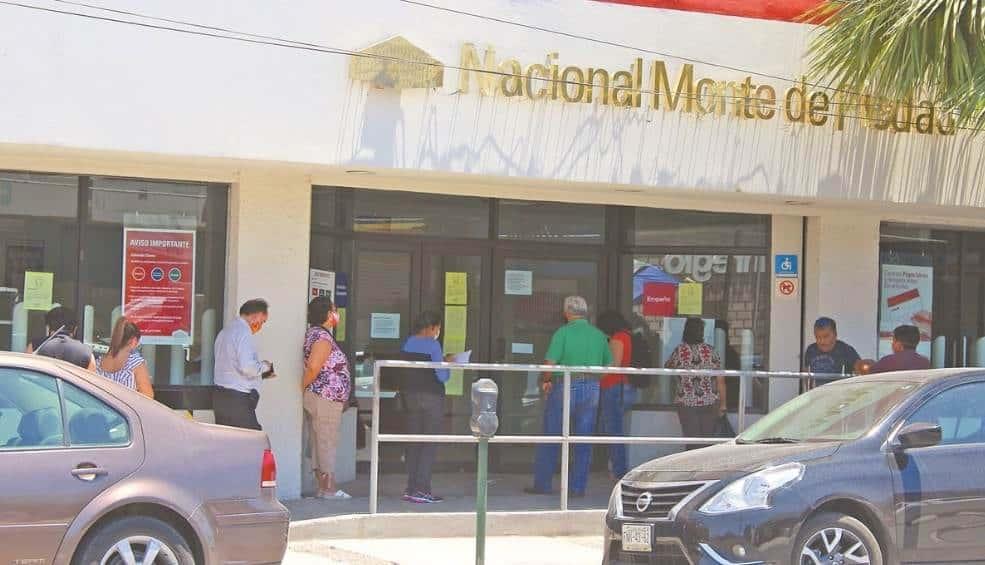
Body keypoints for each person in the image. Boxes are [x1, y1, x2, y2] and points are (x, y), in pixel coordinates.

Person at [526, 296, 612, 497]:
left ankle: (543, 485)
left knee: (553, 435)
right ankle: (577, 488)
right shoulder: (598, 335)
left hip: (565, 384)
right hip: (592, 387)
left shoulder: (562, 333)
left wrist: (545, 380)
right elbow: (609, 365)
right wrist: (594, 378)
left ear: (566, 313)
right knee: (583, 439)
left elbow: (549, 364)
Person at [301, 296, 352, 500]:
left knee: (319, 439)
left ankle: (323, 487)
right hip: (325, 397)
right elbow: (314, 366)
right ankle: (329, 488)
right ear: (327, 314)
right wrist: (302, 386)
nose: (336, 314)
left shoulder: (316, 334)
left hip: (322, 396)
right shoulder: (321, 337)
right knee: (327, 440)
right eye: (334, 310)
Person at [400, 311, 453, 504]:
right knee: (429, 444)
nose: (438, 331)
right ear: (431, 327)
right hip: (431, 398)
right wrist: (447, 365)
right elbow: (442, 376)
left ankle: (411, 488)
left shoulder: (408, 342)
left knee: (414, 444)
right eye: (437, 328)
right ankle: (422, 490)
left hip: (411, 397)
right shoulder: (433, 344)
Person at [665, 317, 726, 451]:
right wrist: (723, 404)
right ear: (701, 332)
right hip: (710, 401)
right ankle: (706, 469)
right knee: (707, 443)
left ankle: (692, 469)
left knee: (692, 441)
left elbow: (667, 369)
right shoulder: (711, 351)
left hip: (686, 402)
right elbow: (720, 379)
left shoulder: (680, 351)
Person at [213, 299, 273, 430]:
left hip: (220, 396)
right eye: (262, 321)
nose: (261, 325)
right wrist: (265, 366)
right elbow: (248, 368)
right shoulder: (243, 333)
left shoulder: (225, 331)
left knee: (227, 443)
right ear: (254, 316)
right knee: (252, 442)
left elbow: (229, 366)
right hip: (237, 399)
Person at [596, 310, 635, 480]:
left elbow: (614, 365)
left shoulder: (619, 338)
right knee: (615, 429)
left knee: (614, 431)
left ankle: (619, 470)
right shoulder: (629, 335)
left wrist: (594, 377)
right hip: (625, 386)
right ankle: (614, 466)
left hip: (614, 387)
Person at [95, 317, 154, 398]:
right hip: (125, 410)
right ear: (134, 341)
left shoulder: (97, 363)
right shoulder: (136, 363)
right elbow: (148, 397)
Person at [29, 306, 96, 371]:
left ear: (48, 327)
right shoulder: (87, 353)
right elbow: (91, 380)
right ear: (75, 329)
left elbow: (26, 375)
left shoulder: (35, 347)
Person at [865, 325, 931, 374]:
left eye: (893, 341)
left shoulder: (887, 361)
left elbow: (869, 376)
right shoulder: (925, 362)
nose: (892, 344)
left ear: (899, 343)